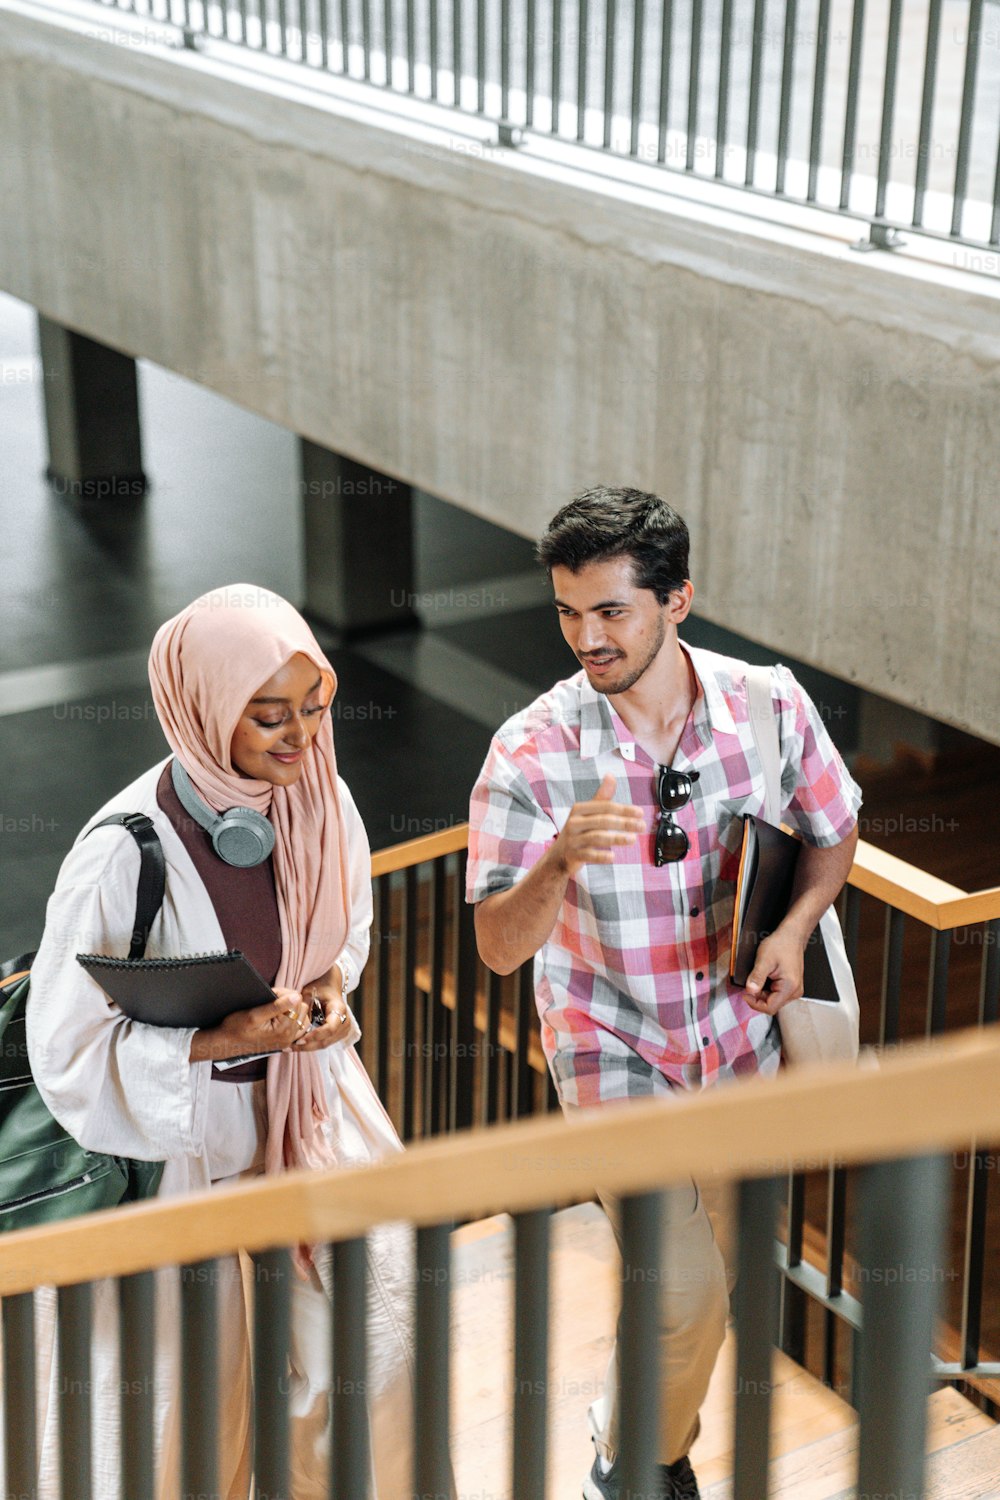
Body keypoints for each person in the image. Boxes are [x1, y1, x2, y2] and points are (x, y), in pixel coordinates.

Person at [466, 489, 862, 1500]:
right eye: (566, 612)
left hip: (741, 1035)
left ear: (676, 599)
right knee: (680, 1290)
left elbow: (832, 830)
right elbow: (499, 950)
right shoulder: (531, 749)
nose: (584, 638)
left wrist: (790, 929)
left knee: (723, 1279)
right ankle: (632, 1465)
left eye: (610, 612)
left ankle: (636, 1431)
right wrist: (554, 862)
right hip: (609, 1041)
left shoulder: (768, 705)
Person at [26, 584, 415, 1500]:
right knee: (185, 1415)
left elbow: (345, 928)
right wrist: (214, 1042)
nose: (300, 738)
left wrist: (324, 992)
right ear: (200, 709)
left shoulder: (322, 799)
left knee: (376, 1365)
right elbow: (65, 1048)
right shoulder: (121, 853)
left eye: (314, 709)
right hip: (177, 1146)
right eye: (268, 716)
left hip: (308, 1115)